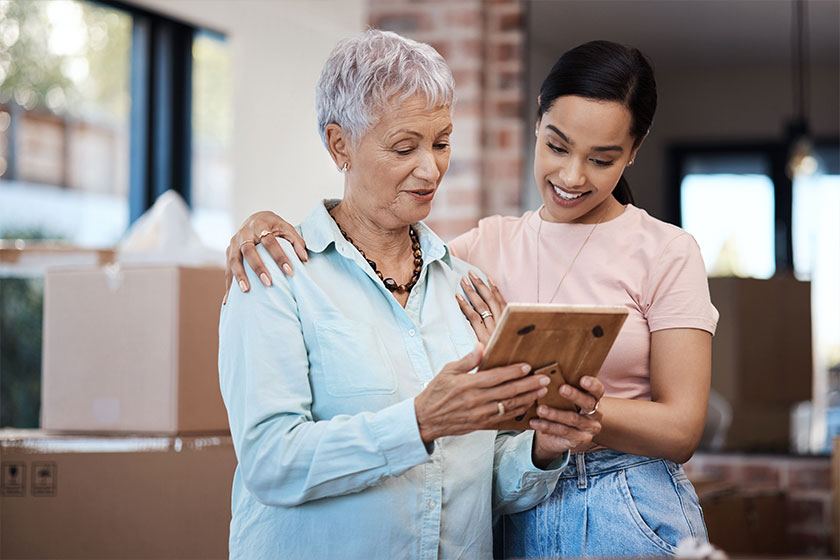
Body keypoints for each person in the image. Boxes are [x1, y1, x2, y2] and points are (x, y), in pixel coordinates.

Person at [225, 39, 719, 558]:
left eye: (441, 144)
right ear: (339, 145)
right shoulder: (463, 262)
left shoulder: (455, 277)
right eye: (403, 148)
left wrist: (543, 443)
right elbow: (269, 459)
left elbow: (476, 466)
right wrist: (259, 223)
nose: (431, 170)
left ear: (633, 151)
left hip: (622, 506)